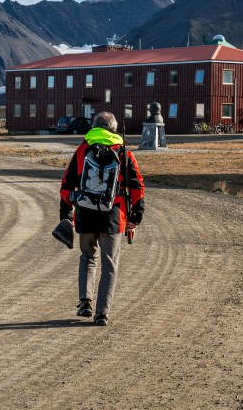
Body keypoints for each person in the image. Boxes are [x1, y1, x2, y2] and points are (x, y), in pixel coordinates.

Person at [59, 111, 145, 326]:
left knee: (88, 257)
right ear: (115, 129)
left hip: (85, 214)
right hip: (113, 217)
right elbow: (137, 188)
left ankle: (85, 302)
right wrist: (136, 216)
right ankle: (102, 313)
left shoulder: (82, 150)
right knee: (110, 265)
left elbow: (66, 185)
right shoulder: (124, 152)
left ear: (94, 127)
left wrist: (66, 215)